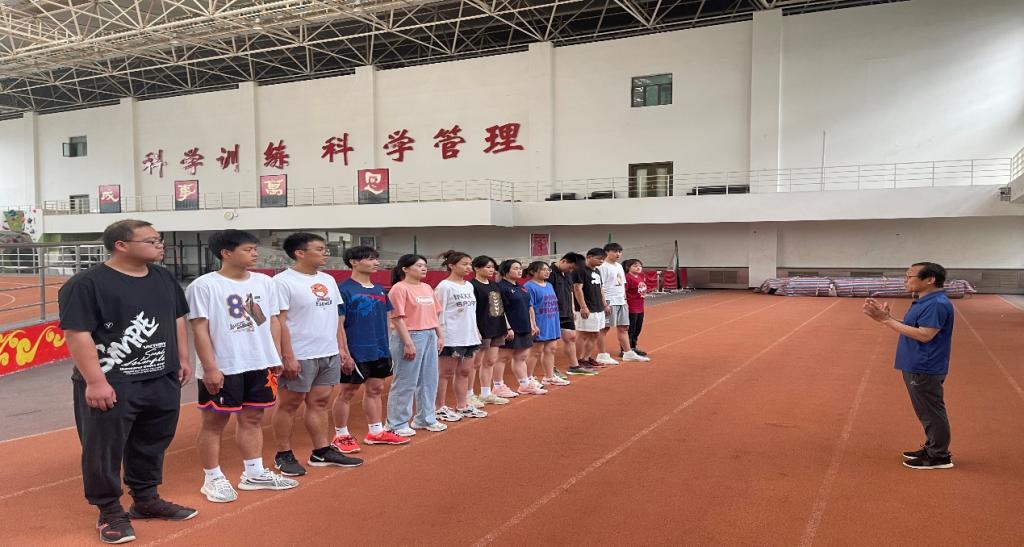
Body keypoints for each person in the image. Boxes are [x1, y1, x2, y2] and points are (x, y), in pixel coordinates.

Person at [59, 219, 198, 544]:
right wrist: (95, 382)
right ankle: (109, 511)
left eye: (159, 239)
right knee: (103, 449)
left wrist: (182, 358)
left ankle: (146, 500)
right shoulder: (86, 284)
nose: (160, 245)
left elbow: (177, 317)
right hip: (113, 382)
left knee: (153, 441)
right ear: (121, 245)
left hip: (161, 378)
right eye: (151, 241)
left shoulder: (163, 277)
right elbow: (77, 334)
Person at [187, 230, 299, 504]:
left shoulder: (264, 282)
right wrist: (210, 368)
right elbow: (199, 329)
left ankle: (254, 473)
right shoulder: (204, 286)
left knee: (253, 418)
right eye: (248, 249)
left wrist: (274, 356)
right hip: (225, 366)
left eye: (254, 249)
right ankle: (212, 477)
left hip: (259, 363)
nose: (255, 253)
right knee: (214, 422)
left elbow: (270, 320)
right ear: (226, 253)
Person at [271, 233, 362, 476]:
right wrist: (287, 355)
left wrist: (342, 350)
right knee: (289, 404)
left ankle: (321, 451)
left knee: (320, 403)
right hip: (300, 354)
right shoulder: (282, 282)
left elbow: (336, 319)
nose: (325, 253)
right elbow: (279, 321)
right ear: (300, 253)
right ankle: (283, 453)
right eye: (320, 249)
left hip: (328, 352)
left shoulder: (328, 279)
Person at [863, 262, 955, 470]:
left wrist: (886, 321)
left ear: (929, 279)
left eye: (909, 276)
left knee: (931, 412)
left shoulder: (936, 304)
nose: (905, 280)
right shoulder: (925, 301)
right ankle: (933, 447)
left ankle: (939, 455)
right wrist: (887, 318)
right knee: (926, 411)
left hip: (925, 366)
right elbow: (913, 327)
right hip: (916, 363)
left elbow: (925, 335)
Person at [331, 246, 410, 454]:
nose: (376, 262)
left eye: (376, 258)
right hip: (356, 349)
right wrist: (343, 351)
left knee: (375, 389)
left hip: (379, 349)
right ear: (354, 262)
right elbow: (338, 324)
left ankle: (376, 431)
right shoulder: (343, 289)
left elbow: (387, 318)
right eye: (370, 259)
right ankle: (341, 435)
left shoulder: (379, 289)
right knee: (347, 392)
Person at [386, 254, 446, 435]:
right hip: (410, 335)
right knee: (406, 380)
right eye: (419, 265)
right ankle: (396, 423)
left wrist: (440, 336)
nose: (424, 268)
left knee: (429, 379)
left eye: (424, 265)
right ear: (405, 268)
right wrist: (408, 342)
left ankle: (425, 418)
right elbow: (397, 318)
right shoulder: (399, 289)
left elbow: (434, 314)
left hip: (429, 334)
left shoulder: (427, 287)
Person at [435, 250, 487, 420]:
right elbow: (438, 313)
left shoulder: (469, 285)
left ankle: (462, 405)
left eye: (469, 264)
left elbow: (471, 312)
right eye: (464, 264)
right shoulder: (444, 286)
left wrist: (476, 330)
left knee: (465, 371)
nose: (468, 267)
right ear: (451, 265)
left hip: (469, 335)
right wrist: (440, 335)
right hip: (451, 336)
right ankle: (439, 407)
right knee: (445, 373)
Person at [496, 259, 546, 395]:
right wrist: (507, 328)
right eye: (515, 268)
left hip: (524, 327)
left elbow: (529, 307)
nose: (519, 271)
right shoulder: (501, 287)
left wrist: (533, 324)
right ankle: (497, 386)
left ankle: (524, 385)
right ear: (506, 271)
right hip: (511, 328)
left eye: (520, 268)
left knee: (521, 357)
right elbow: (500, 310)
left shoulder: (522, 287)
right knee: (503, 357)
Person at [469, 255, 511, 405]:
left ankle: (486, 393)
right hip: (482, 328)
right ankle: (469, 395)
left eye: (493, 267)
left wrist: (507, 326)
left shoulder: (494, 285)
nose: (491, 270)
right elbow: (470, 311)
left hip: (497, 326)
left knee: (490, 361)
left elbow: (501, 307)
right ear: (476, 268)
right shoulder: (472, 286)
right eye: (488, 267)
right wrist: (475, 329)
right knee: (475, 363)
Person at [598, 243, 648, 363]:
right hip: (609, 300)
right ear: (607, 252)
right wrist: (604, 303)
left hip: (620, 301)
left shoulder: (619, 266)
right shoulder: (602, 267)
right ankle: (602, 354)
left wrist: (624, 300)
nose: (618, 254)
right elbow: (600, 286)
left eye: (620, 252)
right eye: (615, 251)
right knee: (604, 329)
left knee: (624, 328)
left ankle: (628, 352)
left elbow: (622, 284)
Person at [551, 252, 597, 377]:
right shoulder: (549, 273)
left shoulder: (568, 274)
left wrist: (572, 307)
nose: (571, 270)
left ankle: (574, 366)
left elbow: (570, 291)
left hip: (566, 311)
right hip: (553, 312)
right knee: (550, 344)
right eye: (571, 267)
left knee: (571, 337)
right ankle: (550, 369)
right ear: (564, 261)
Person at [525, 261, 569, 387]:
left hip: (552, 321)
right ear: (533, 272)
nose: (547, 272)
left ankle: (549, 377)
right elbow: (529, 307)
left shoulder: (549, 285)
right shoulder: (529, 286)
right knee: (535, 351)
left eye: (548, 270)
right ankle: (528, 378)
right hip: (540, 322)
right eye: (543, 269)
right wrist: (533, 324)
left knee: (551, 349)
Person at [573, 248, 608, 369]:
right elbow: (577, 289)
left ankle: (586, 358)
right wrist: (583, 306)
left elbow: (600, 288)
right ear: (589, 257)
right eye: (599, 259)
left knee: (595, 334)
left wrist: (604, 304)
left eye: (603, 259)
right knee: (582, 334)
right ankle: (577, 361)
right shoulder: (580, 270)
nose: (601, 261)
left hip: (598, 307)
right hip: (587, 307)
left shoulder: (597, 271)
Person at [623, 258, 650, 357]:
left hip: (640, 307)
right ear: (628, 267)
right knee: (630, 329)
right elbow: (623, 292)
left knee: (637, 329)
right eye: (635, 266)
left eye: (639, 266)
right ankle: (625, 349)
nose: (638, 267)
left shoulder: (640, 276)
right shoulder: (627, 278)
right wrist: (625, 303)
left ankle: (633, 347)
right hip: (631, 307)